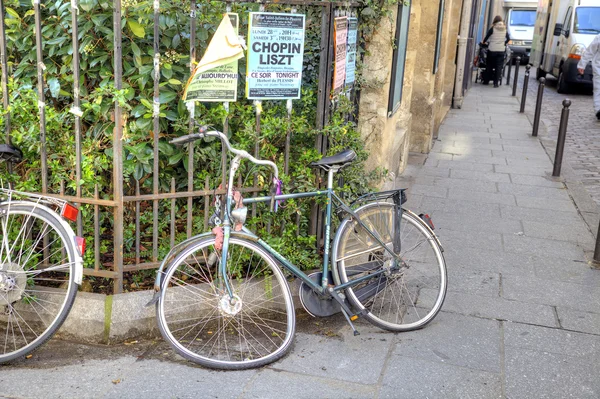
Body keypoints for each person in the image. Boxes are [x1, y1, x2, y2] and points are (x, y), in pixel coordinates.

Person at [482, 16, 511, 88]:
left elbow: (486, 38)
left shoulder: (493, 28)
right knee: (499, 67)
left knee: (489, 65)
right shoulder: (505, 29)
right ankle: (496, 83)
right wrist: (503, 43)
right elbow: (508, 39)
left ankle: (486, 81)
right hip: (501, 50)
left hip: (492, 50)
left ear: (494, 21)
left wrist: (484, 42)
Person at [577, 34, 600, 120]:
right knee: (598, 88)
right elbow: (590, 51)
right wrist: (581, 65)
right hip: (599, 67)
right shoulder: (599, 37)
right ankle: (598, 110)